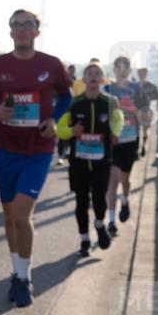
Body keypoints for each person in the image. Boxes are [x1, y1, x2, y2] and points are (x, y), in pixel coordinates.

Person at [0, 9, 72, 308]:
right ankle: (16, 272)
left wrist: (54, 119)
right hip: (6, 148)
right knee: (10, 215)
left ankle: (25, 277)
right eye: (17, 25)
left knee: (20, 215)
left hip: (38, 149)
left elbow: (66, 97)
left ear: (37, 32)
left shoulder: (51, 65)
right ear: (11, 32)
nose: (23, 29)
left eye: (29, 25)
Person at [56, 62, 122, 256]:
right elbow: (59, 129)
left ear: (102, 79)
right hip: (79, 161)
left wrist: (115, 132)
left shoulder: (110, 102)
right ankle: (84, 240)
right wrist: (71, 131)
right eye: (89, 73)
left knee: (100, 196)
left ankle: (100, 223)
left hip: (102, 160)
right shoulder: (75, 102)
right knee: (81, 201)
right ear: (83, 80)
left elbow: (118, 120)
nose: (93, 76)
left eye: (97, 73)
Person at [103, 56, 149, 235]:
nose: (122, 71)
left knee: (124, 179)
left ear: (129, 70)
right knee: (112, 181)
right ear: (114, 70)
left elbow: (146, 114)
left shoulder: (137, 89)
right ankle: (112, 221)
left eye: (125, 68)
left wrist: (135, 111)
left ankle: (125, 200)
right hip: (113, 140)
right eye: (118, 68)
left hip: (130, 140)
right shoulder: (107, 89)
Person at [137, 67, 158, 158]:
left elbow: (157, 96)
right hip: (135, 111)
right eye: (140, 73)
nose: (142, 75)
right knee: (137, 131)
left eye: (143, 73)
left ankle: (143, 145)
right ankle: (138, 147)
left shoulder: (151, 86)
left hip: (147, 110)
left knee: (145, 131)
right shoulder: (135, 85)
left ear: (146, 74)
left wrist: (150, 98)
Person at [58, 64, 78, 165]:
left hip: (72, 110)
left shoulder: (75, 81)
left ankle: (68, 152)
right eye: (70, 70)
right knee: (62, 135)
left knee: (71, 134)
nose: (71, 71)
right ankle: (60, 156)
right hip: (63, 112)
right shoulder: (61, 81)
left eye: (73, 70)